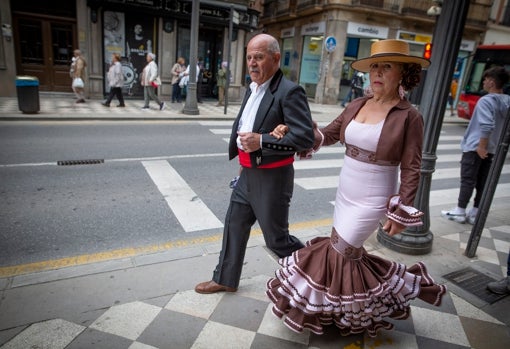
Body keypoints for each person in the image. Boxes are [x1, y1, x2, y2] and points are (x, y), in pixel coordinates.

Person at [266, 39, 447, 337]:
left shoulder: (409, 115)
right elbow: (326, 134)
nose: (377, 72)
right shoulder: (356, 104)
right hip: (346, 192)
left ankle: (340, 313)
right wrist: (292, 129)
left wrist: (400, 210)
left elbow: (412, 166)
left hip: (373, 197)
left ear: (403, 73)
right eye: (374, 66)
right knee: (347, 255)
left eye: (386, 66)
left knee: (341, 251)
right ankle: (357, 307)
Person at [194, 34, 315, 294]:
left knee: (277, 240)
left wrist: (263, 140)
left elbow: (305, 137)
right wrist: (244, 159)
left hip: (272, 178)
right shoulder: (253, 88)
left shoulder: (289, 91)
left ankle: (318, 270)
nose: (252, 63)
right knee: (234, 224)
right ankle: (225, 278)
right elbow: (247, 127)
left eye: (259, 57)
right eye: (249, 57)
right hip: (248, 172)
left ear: (275, 58)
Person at [441, 67, 510, 224]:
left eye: (486, 79)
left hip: (476, 147)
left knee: (468, 179)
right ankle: (475, 212)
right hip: (493, 148)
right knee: (482, 180)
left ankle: (459, 211)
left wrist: (481, 146)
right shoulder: (507, 101)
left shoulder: (486, 100)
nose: (484, 82)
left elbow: (486, 125)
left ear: (492, 82)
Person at [126, 24, 152, 96]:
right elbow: (128, 55)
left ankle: (145, 94)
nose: (138, 29)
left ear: (142, 30)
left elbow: (150, 55)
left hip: (143, 65)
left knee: (144, 80)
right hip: (133, 66)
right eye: (136, 28)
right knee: (133, 80)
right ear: (134, 30)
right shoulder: (129, 41)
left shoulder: (147, 41)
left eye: (140, 28)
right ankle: (132, 92)